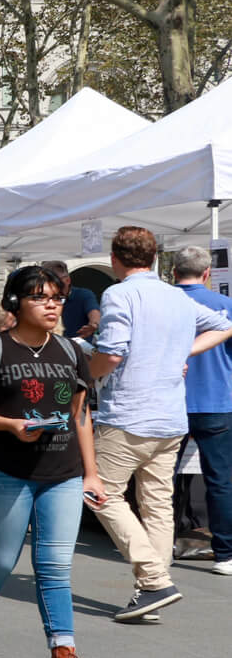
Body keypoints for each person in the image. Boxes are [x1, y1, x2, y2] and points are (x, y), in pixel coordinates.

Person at [0, 265, 107, 658]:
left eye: (57, 296)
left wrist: (91, 472)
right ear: (16, 303)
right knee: (1, 562)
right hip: (5, 472)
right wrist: (9, 424)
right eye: (40, 297)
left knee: (55, 569)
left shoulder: (71, 351)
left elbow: (80, 414)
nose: (52, 304)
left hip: (62, 474)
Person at [84, 226, 232, 620]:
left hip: (130, 414)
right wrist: (184, 350)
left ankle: (153, 580)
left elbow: (112, 353)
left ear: (115, 259)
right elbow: (223, 323)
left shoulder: (119, 293)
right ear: (154, 259)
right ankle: (151, 590)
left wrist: (87, 372)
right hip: (169, 415)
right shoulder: (176, 297)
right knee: (156, 504)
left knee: (101, 494)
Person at [171, 246, 232, 574]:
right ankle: (225, 554)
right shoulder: (226, 307)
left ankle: (160, 546)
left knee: (161, 479)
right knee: (220, 480)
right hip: (216, 402)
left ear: (174, 271)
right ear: (207, 273)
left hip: (170, 401)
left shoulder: (165, 303)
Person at [44, 261, 102, 339]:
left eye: (57, 282)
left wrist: (94, 324)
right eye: (48, 283)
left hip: (78, 346)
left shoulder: (83, 294)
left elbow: (94, 311)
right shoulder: (43, 299)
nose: (53, 287)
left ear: (67, 280)